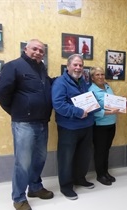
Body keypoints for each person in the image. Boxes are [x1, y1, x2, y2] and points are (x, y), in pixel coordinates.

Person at [0, 39, 54, 210]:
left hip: (42, 121)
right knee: (23, 162)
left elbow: (47, 85)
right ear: (25, 49)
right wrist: (15, 111)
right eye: (34, 49)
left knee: (40, 158)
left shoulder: (41, 68)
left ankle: (35, 187)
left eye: (41, 50)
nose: (38, 52)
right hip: (23, 123)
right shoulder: (13, 66)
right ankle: (19, 198)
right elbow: (1, 93)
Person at [52, 54, 95, 200]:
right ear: (68, 66)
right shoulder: (60, 82)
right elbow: (58, 104)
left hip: (86, 125)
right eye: (75, 65)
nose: (78, 68)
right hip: (69, 127)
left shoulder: (84, 81)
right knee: (66, 158)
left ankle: (80, 178)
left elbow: (88, 99)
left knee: (84, 155)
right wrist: (77, 112)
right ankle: (66, 186)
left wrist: (94, 105)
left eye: (81, 65)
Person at [88, 67, 120, 186]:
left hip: (111, 124)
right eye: (97, 75)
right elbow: (92, 110)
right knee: (100, 151)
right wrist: (109, 112)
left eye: (102, 74)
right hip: (100, 125)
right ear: (92, 78)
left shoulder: (107, 87)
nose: (101, 76)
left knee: (106, 150)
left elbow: (113, 101)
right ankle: (100, 175)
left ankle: (106, 172)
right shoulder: (91, 90)